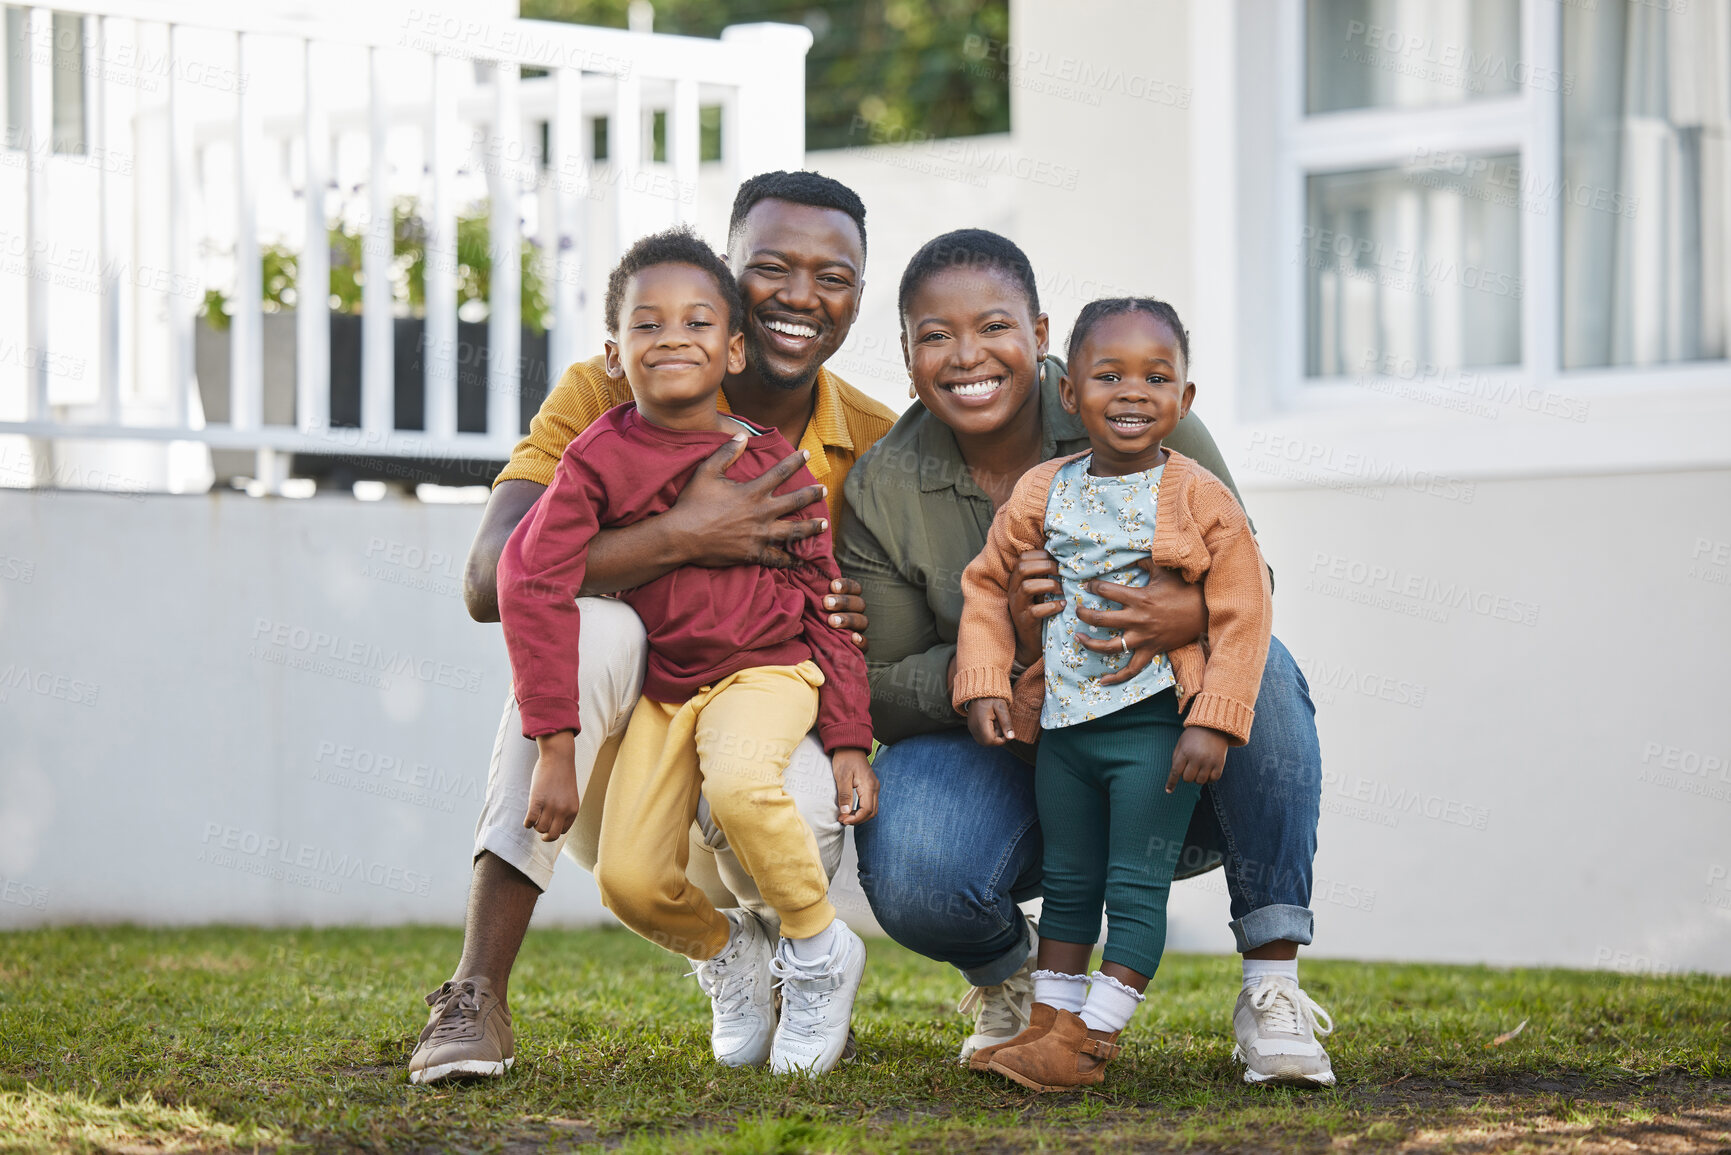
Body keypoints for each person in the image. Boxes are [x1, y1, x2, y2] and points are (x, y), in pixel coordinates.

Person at [410, 171, 895, 1085]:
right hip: (628, 738)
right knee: (597, 631)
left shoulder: (869, 436)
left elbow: (878, 606)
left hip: (758, 726)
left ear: (858, 296)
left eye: (832, 275)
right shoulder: (604, 393)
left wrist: (851, 627)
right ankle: (477, 990)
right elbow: (491, 580)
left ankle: (799, 964)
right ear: (728, 275)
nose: (799, 295)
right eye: (771, 267)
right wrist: (684, 534)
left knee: (772, 769)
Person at [838, 229, 1336, 1087]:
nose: (967, 357)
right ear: (907, 352)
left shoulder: (1138, 406)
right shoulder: (883, 487)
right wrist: (1000, 661)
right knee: (918, 865)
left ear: (1037, 333)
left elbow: (1250, 583)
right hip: (1013, 750)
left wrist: (1184, 611)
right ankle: (1017, 979)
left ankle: (1271, 984)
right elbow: (879, 687)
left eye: (993, 326)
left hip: (1164, 741)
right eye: (934, 336)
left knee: (1269, 672)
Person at [952, 298, 1273, 1091]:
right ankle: (1046, 1023)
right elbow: (987, 585)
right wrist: (985, 678)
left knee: (1133, 878)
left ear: (1184, 400)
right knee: (1068, 877)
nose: (1132, 392)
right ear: (1070, 394)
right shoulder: (1041, 490)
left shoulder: (1198, 496)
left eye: (1156, 377)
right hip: (1063, 730)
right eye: (1108, 375)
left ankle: (1091, 1041)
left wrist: (1214, 719)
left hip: (1154, 727)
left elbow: (1243, 608)